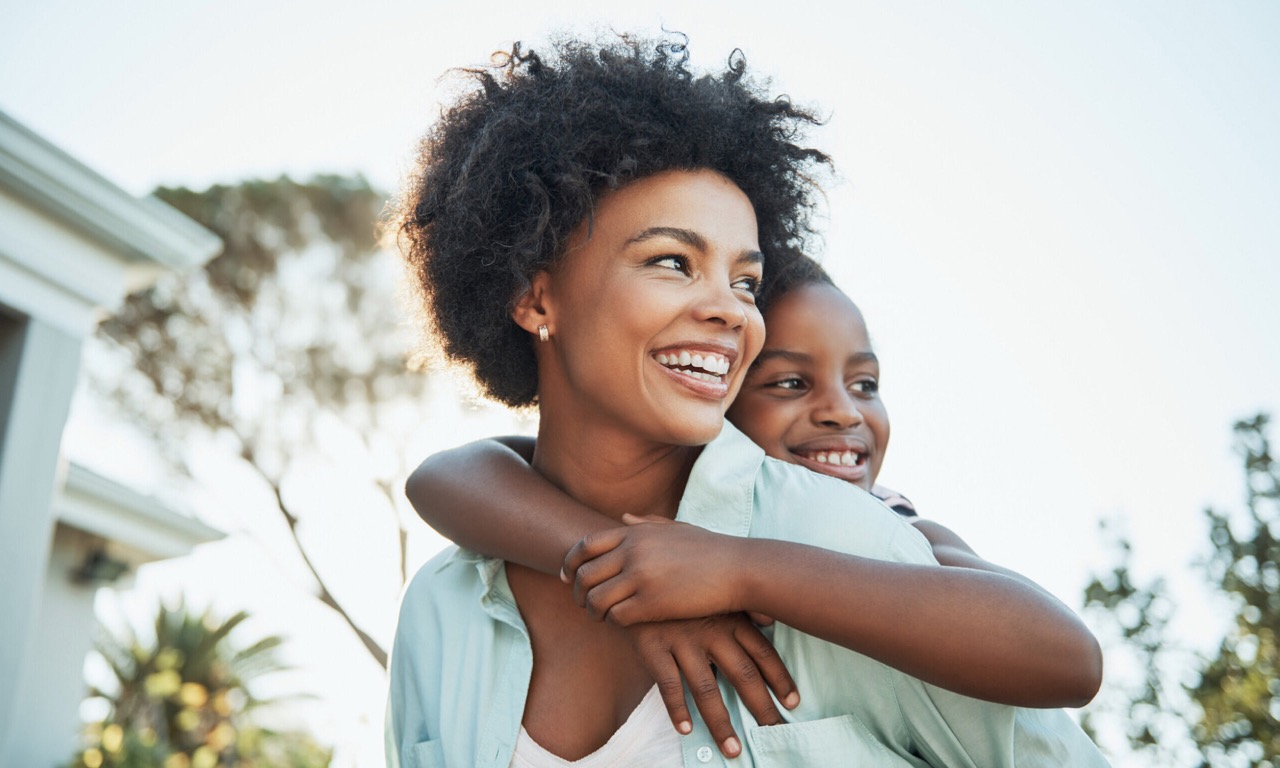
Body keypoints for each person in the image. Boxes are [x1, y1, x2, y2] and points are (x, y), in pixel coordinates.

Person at [387, 33, 1108, 767]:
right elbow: (448, 475)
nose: (732, 312)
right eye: (672, 262)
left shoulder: (845, 541)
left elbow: (1066, 686)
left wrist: (737, 574)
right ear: (534, 296)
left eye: (745, 282)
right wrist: (614, 582)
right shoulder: (440, 613)